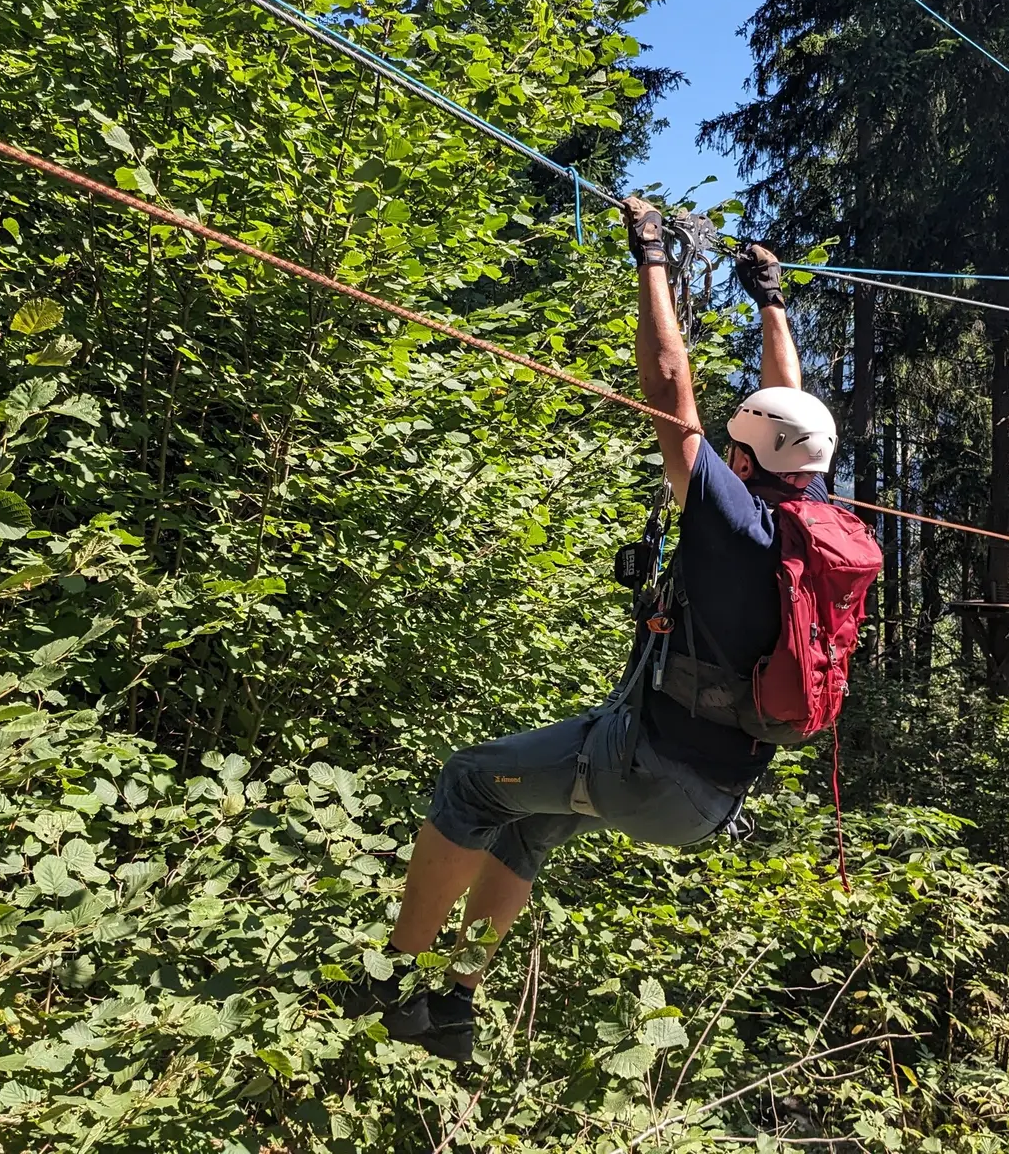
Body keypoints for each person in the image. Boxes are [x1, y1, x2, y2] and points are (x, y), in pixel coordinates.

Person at [345, 197, 841, 1061]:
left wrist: (650, 257)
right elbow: (788, 407)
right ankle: (456, 1006)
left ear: (743, 464)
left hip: (643, 769)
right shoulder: (808, 524)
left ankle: (389, 981)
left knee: (468, 782)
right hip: (710, 797)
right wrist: (772, 299)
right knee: (528, 821)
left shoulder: (730, 525)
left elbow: (669, 388)